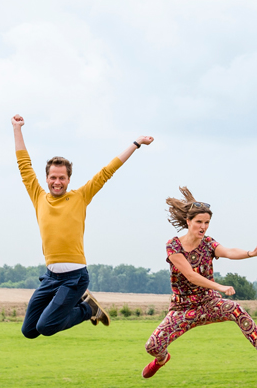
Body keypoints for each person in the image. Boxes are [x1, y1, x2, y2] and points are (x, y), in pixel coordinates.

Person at [12, 114, 153, 339]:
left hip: (74, 277)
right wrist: (17, 128)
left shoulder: (80, 196)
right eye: (53, 178)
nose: (57, 182)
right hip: (50, 277)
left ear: (69, 179)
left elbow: (108, 171)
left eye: (62, 178)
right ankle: (84, 304)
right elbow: (24, 165)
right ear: (46, 178)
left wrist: (135, 144)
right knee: (29, 331)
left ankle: (88, 309)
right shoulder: (38, 196)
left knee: (46, 327)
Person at [143, 187, 257, 378]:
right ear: (188, 222)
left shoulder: (208, 243)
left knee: (236, 309)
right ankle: (162, 359)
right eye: (199, 222)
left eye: (207, 223)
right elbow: (191, 275)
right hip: (182, 308)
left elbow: (228, 251)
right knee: (152, 346)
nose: (203, 227)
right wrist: (220, 287)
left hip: (209, 303)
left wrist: (250, 253)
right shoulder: (173, 245)